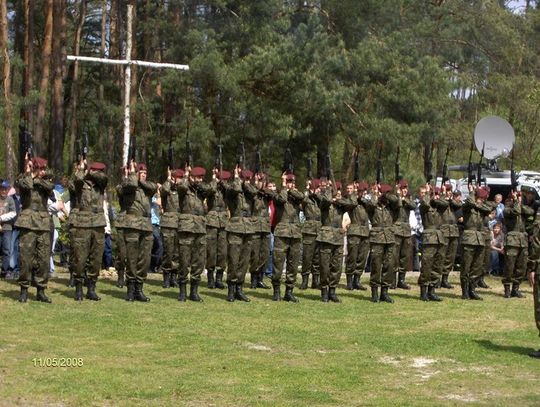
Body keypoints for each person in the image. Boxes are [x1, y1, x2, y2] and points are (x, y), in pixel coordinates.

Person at [16, 156, 55, 303]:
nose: (43, 171)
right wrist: (29, 173)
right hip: (27, 222)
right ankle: (24, 289)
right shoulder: (25, 177)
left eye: (44, 168)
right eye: (41, 168)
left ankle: (41, 290)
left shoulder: (46, 180)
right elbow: (25, 185)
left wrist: (38, 178)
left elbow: (50, 188)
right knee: (26, 258)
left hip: (43, 224)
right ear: (34, 168)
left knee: (44, 258)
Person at [69, 160, 108, 301]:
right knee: (80, 258)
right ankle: (79, 287)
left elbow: (104, 179)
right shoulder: (80, 184)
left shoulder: (101, 184)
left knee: (96, 259)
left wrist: (90, 171)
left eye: (100, 171)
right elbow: (75, 183)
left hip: (98, 224)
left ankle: (91, 288)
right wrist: (81, 168)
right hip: (83, 224)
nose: (100, 174)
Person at [119, 161, 157, 302]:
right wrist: (131, 175)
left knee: (145, 259)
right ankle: (130, 288)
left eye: (145, 173)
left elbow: (153, 187)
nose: (143, 175)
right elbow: (131, 185)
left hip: (146, 226)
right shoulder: (126, 186)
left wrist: (139, 179)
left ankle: (139, 288)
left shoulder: (148, 187)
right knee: (132, 258)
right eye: (141, 173)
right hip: (132, 225)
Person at [177, 165, 213, 302]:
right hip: (186, 228)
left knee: (199, 261)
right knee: (184, 260)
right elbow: (181, 187)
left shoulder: (201, 191)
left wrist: (199, 185)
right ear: (191, 176)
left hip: (200, 229)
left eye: (201, 177)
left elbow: (211, 189)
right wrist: (186, 176)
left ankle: (194, 291)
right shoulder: (184, 190)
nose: (199, 180)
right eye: (197, 177)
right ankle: (182, 291)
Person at [223, 167, 255, 302]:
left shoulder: (249, 193)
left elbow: (254, 192)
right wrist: (237, 177)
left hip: (248, 228)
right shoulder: (231, 190)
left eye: (247, 179)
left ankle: (239, 289)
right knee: (234, 260)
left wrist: (246, 183)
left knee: (244, 261)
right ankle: (231, 289)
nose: (245, 181)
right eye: (244, 178)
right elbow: (235, 189)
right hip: (235, 228)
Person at [271, 172, 304, 302]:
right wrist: (284, 187)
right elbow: (281, 200)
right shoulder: (278, 195)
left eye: (292, 182)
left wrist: (292, 190)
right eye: (289, 181)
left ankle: (289, 291)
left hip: (295, 234)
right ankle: (276, 290)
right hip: (282, 233)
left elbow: (302, 197)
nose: (291, 184)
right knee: (278, 263)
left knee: (293, 263)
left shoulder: (296, 196)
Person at [364, 183, 395, 303]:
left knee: (389, 265)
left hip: (389, 238)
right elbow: (370, 205)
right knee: (376, 265)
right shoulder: (373, 206)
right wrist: (375, 194)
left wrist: (387, 194)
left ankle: (385, 292)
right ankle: (375, 292)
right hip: (377, 238)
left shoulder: (391, 207)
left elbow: (397, 201)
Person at [417, 185, 448, 301]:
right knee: (426, 265)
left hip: (439, 238)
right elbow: (424, 203)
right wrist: (428, 193)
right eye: (435, 194)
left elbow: (445, 204)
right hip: (429, 237)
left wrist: (442, 194)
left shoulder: (440, 207)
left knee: (437, 265)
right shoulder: (424, 207)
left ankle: (432, 290)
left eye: (437, 194)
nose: (436, 196)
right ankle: (423, 291)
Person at [460, 186, 491, 300]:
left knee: (477, 266)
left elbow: (489, 209)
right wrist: (473, 192)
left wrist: (479, 203)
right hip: (469, 239)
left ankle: (472, 289)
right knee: (466, 266)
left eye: (483, 198)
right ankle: (465, 291)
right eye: (481, 198)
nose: (482, 200)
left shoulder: (482, 208)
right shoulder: (468, 208)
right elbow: (469, 202)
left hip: (480, 240)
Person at [501, 191, 532, 298]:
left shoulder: (520, 207)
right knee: (509, 265)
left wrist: (519, 202)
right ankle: (507, 289)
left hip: (522, 241)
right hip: (512, 241)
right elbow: (516, 211)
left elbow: (530, 211)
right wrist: (515, 201)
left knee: (521, 266)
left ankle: (516, 288)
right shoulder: (507, 210)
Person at [388, 180, 415, 290]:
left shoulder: (408, 199)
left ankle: (401, 280)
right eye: (402, 188)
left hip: (406, 231)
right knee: (394, 256)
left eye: (406, 188)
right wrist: (399, 196)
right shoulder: (394, 198)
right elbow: (397, 205)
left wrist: (404, 199)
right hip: (397, 230)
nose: (405, 190)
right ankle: (392, 280)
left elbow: (413, 206)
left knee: (405, 256)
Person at [159, 168, 183, 289]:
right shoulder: (167, 189)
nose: (179, 180)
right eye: (177, 178)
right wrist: (168, 179)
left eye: (181, 178)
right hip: (168, 224)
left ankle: (174, 276)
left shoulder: (183, 190)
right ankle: (166, 277)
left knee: (177, 253)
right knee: (168, 251)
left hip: (180, 223)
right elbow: (163, 190)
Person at [343, 181, 370, 291]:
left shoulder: (366, 202)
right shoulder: (352, 200)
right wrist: (354, 193)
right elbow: (351, 204)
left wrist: (362, 198)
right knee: (352, 257)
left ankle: (357, 280)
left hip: (365, 232)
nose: (361, 193)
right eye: (359, 191)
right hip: (354, 231)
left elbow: (372, 204)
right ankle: (349, 281)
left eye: (363, 191)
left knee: (362, 257)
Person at [248, 172, 272, 290]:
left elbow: (272, 193)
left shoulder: (266, 194)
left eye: (263, 181)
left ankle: (260, 279)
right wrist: (255, 184)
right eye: (259, 181)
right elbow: (250, 191)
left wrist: (263, 187)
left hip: (266, 228)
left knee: (265, 254)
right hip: (255, 227)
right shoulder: (252, 193)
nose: (261, 183)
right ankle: (254, 279)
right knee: (255, 255)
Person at [300, 178, 322, 289]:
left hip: (319, 230)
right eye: (315, 188)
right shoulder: (306, 199)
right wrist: (307, 190)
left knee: (317, 258)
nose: (316, 190)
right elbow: (302, 201)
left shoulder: (321, 200)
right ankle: (304, 280)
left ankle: (315, 281)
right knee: (307, 257)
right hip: (309, 231)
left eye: (317, 188)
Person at [440, 182, 462, 289]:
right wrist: (443, 196)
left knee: (450, 256)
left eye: (450, 191)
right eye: (447, 191)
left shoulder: (453, 203)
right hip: (443, 232)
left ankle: (445, 278)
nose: (449, 193)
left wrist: (450, 199)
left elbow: (458, 205)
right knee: (441, 256)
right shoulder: (440, 201)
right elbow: (440, 204)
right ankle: (436, 279)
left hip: (453, 232)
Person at [0, 180, 17, 279]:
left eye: (5, 189)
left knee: (6, 249)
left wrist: (1, 218)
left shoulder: (10, 199)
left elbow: (13, 213)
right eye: (2, 188)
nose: (3, 191)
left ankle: (5, 271)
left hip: (7, 228)